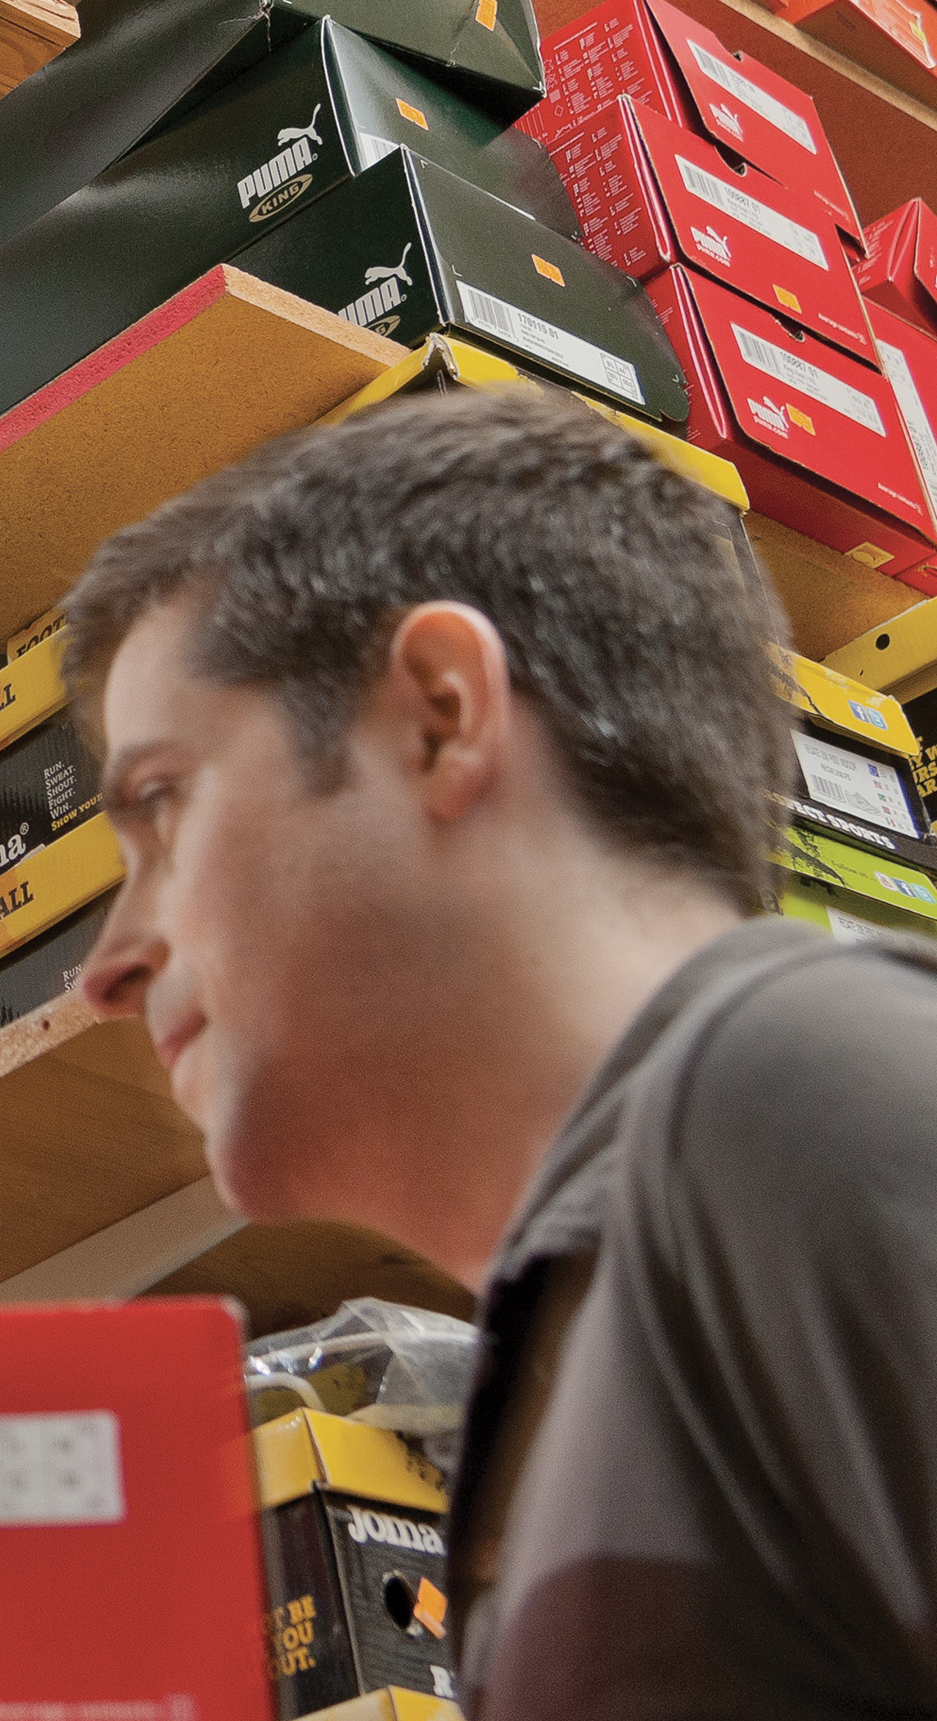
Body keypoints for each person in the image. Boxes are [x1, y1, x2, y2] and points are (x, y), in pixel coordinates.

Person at [62, 379, 937, 1717]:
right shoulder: (580, 1361)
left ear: (442, 717)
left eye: (164, 809)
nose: (109, 967)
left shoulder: (796, 1089)